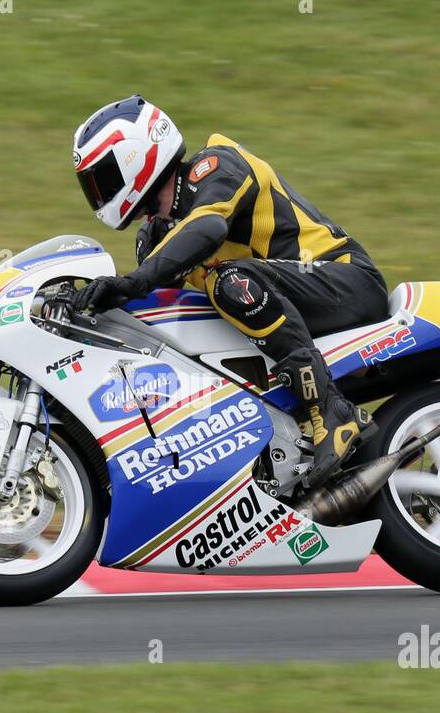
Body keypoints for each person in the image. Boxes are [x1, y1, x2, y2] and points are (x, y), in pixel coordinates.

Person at [72, 95, 390, 488]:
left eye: (102, 179)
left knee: (231, 283)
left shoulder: (217, 166)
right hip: (296, 303)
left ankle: (330, 410)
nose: (99, 194)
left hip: (345, 279)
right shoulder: (154, 236)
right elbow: (156, 309)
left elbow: (207, 229)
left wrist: (133, 282)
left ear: (137, 156)